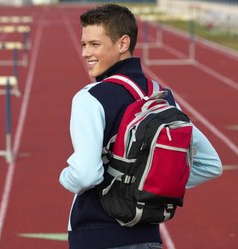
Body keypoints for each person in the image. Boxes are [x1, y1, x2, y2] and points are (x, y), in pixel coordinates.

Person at [59, 3, 222, 249]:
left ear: (123, 43)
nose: (85, 53)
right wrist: (146, 186)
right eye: (84, 44)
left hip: (95, 234)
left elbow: (85, 175)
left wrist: (65, 178)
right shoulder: (162, 97)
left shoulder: (90, 97)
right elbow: (210, 165)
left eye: (94, 44)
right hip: (148, 238)